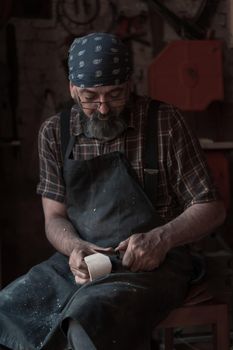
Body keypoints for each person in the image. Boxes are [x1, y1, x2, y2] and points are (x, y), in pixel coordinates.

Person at [0, 32, 226, 350]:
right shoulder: (54, 132)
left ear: (129, 84)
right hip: (82, 263)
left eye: (115, 94)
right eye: (91, 97)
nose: (104, 108)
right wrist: (74, 246)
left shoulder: (165, 123)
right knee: (7, 311)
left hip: (155, 263)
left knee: (88, 322)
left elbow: (212, 208)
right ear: (72, 89)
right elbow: (54, 217)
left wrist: (162, 238)